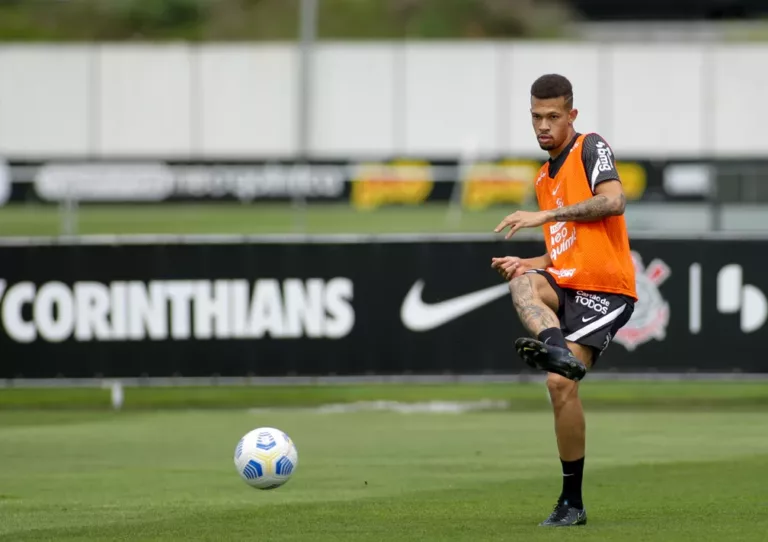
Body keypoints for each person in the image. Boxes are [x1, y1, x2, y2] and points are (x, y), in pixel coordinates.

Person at [491, 73, 638, 527]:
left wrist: (547, 214)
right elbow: (561, 253)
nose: (544, 125)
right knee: (521, 280)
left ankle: (571, 502)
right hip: (568, 279)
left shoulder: (590, 146)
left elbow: (614, 201)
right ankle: (556, 350)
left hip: (606, 288)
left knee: (558, 385)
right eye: (537, 117)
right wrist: (527, 260)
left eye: (554, 116)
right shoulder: (543, 176)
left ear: (572, 115)